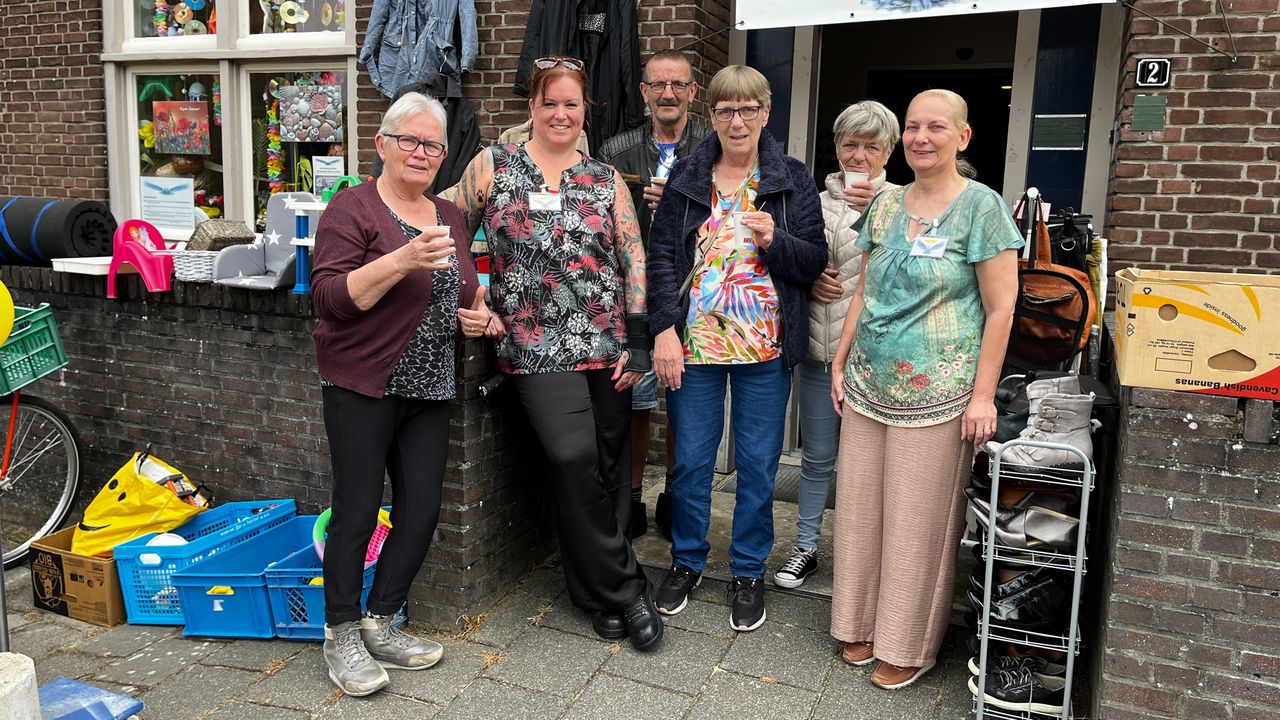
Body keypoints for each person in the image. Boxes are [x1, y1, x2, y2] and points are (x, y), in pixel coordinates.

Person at [451, 56, 664, 651]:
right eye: (551, 103)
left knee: (607, 466)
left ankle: (593, 592)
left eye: (572, 104)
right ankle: (627, 589)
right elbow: (441, 226)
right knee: (573, 459)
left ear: (584, 110)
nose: (561, 113)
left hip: (608, 343)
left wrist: (640, 342)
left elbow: (634, 260)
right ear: (532, 108)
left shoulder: (606, 178)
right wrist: (476, 294)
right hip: (534, 345)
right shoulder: (493, 166)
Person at [829, 88, 1022, 689]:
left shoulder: (981, 208)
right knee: (861, 512)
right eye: (912, 126)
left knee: (918, 521)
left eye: (936, 127)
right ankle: (857, 620)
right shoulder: (886, 206)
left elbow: (1001, 308)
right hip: (867, 383)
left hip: (940, 393)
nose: (921, 137)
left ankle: (907, 643)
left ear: (962, 137)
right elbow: (863, 290)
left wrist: (984, 396)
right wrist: (839, 361)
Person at [311, 92, 499, 697]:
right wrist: (401, 260)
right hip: (363, 381)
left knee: (421, 509)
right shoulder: (352, 208)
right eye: (410, 141)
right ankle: (339, 631)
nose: (422, 153)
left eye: (433, 145)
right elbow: (330, 299)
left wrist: (477, 315)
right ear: (383, 144)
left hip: (429, 385)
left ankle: (381, 618)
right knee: (358, 509)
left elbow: (465, 291)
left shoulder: (451, 214)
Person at [647, 65, 827, 632]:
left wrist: (776, 239)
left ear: (765, 113)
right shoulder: (685, 178)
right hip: (694, 346)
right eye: (726, 110)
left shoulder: (791, 179)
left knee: (756, 466)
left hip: (765, 349)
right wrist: (662, 330)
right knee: (693, 462)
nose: (737, 120)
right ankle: (686, 562)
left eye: (749, 109)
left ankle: (748, 570)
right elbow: (662, 262)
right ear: (713, 115)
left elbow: (813, 261)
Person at [773, 100, 900, 590]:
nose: (859, 155)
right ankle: (807, 547)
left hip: (874, 359)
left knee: (871, 466)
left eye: (872, 145)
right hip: (817, 354)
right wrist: (807, 282)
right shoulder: (810, 199)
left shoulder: (903, 202)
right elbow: (783, 260)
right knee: (818, 457)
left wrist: (876, 213)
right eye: (850, 144)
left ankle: (862, 558)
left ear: (889, 150)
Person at [598, 49, 711, 542]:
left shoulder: (713, 145)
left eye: (678, 85)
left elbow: (732, 212)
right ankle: (635, 497)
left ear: (693, 91)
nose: (668, 93)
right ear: (644, 92)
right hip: (634, 295)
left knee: (685, 401)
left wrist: (686, 205)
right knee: (637, 401)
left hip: (698, 291)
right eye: (658, 85)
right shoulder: (615, 150)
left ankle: (675, 497)